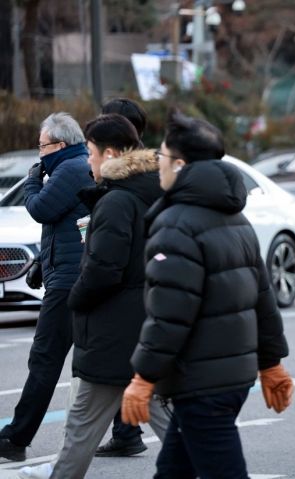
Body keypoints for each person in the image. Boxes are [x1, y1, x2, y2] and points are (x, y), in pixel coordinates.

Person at [121, 110, 293, 478]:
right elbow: (262, 296)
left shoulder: (176, 223)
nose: (157, 166)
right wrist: (270, 362)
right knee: (173, 471)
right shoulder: (234, 216)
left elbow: (170, 312)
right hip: (229, 376)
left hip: (200, 380)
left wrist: (142, 378)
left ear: (180, 165)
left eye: (161, 158)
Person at [18, 114, 169, 479]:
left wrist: (77, 299)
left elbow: (104, 268)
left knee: (79, 435)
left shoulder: (117, 201)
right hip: (141, 327)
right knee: (173, 426)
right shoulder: (152, 191)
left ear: (111, 152)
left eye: (90, 153)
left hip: (111, 330)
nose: (88, 162)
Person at [0, 113, 94, 461]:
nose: (40, 154)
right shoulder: (73, 166)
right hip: (71, 274)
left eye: (42, 146)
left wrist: (32, 180)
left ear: (60, 144)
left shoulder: (69, 169)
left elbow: (40, 209)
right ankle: (126, 430)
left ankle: (16, 437)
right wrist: (42, 261)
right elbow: (62, 224)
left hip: (68, 282)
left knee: (45, 358)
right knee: (92, 357)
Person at [94, 97, 151, 458]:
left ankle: (128, 432)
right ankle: (128, 431)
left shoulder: (125, 178)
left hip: (129, 282)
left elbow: (111, 250)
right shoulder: (149, 170)